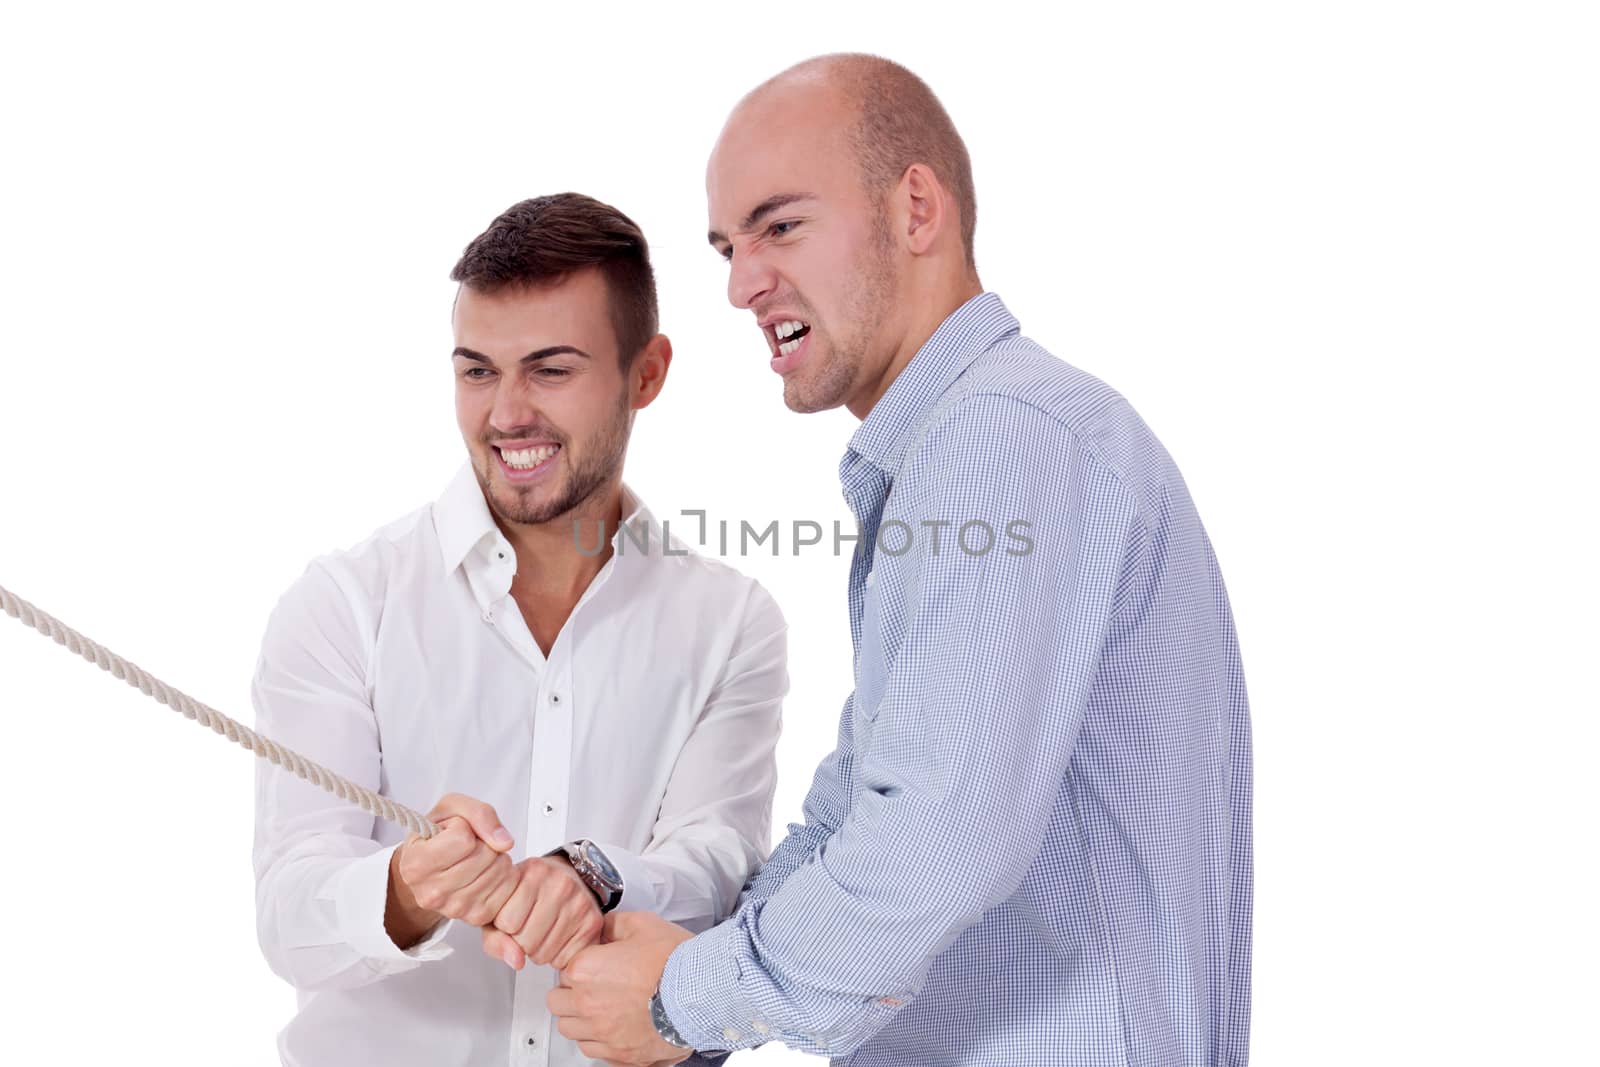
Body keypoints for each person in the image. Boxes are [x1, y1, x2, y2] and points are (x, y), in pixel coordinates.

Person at [548, 54, 1253, 1067]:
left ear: (915, 208)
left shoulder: (1000, 436)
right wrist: (636, 928)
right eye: (727, 247)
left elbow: (935, 844)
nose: (743, 282)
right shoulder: (953, 453)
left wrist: (677, 1003)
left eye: (779, 225)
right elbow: (858, 813)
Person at [251, 193, 787, 1067]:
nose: (506, 415)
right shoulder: (343, 603)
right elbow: (288, 915)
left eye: (550, 369)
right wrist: (405, 889)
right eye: (477, 370)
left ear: (646, 373)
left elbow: (721, 864)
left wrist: (595, 875)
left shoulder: (730, 622)